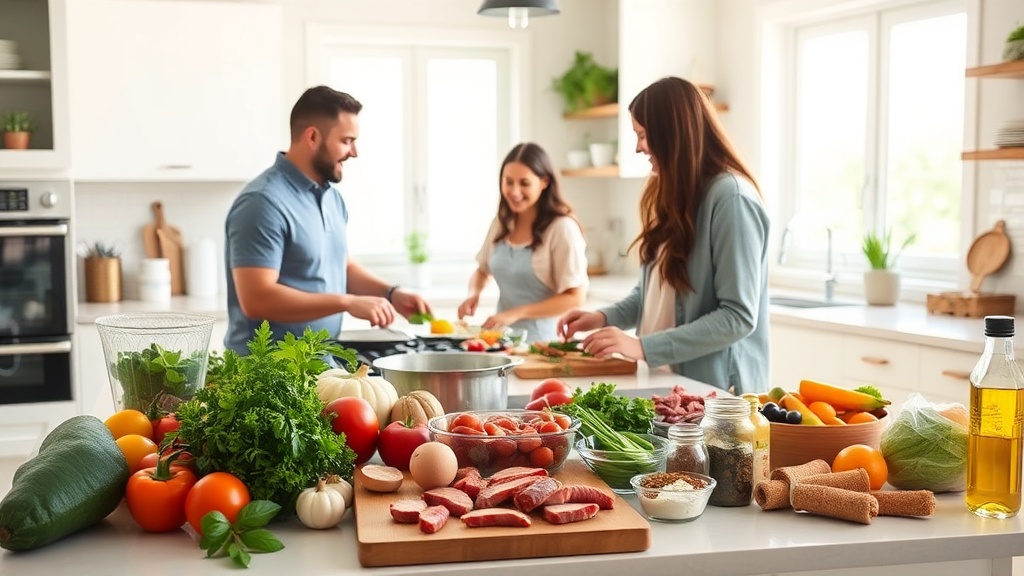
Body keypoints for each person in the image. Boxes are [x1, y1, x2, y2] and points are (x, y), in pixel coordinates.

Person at [557, 77, 770, 395]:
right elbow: (652, 293)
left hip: (716, 394)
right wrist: (602, 317)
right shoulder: (673, 194)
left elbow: (737, 317)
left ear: (672, 133)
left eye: (643, 135)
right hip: (668, 386)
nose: (638, 147)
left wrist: (641, 346)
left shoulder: (731, 199)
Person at [223, 85, 432, 354]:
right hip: (267, 367)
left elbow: (341, 266)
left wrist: (391, 293)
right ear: (312, 137)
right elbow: (257, 299)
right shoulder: (262, 202)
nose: (354, 152)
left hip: (320, 359)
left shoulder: (332, 198)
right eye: (347, 141)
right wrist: (346, 302)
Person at [457, 142, 589, 342]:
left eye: (524, 183)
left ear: (544, 182)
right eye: (508, 182)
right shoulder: (501, 222)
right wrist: (474, 294)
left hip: (543, 345)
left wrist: (517, 313)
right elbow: (482, 270)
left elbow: (575, 297)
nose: (514, 191)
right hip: (503, 342)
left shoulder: (562, 228)